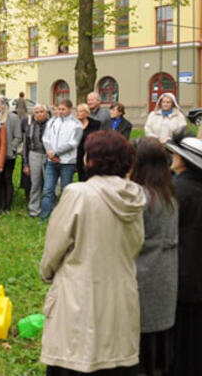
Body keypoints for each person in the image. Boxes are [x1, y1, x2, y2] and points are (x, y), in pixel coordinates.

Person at [40, 130, 145, 375]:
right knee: (113, 361)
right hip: (121, 295)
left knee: (78, 357)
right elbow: (137, 243)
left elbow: (55, 247)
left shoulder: (79, 194)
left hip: (79, 295)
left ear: (91, 160)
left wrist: (47, 272)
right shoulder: (133, 196)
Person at [129, 137, 178, 376]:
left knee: (143, 347)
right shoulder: (169, 194)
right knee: (160, 345)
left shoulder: (140, 197)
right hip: (166, 276)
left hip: (142, 278)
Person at [165, 132, 202, 375]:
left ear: (184, 159)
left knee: (181, 334)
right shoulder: (194, 187)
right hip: (198, 269)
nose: (172, 157)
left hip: (182, 270)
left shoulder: (178, 189)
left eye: (175, 154)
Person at [40, 99, 82, 220]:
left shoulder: (76, 124)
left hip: (67, 162)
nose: (60, 111)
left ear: (70, 109)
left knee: (65, 191)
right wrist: (50, 153)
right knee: (47, 190)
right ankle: (44, 217)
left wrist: (57, 153)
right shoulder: (52, 121)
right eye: (58, 109)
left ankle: (64, 218)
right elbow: (45, 138)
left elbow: (74, 143)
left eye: (63, 109)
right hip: (51, 161)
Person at [22, 104, 48, 218]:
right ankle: (34, 210)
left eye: (41, 111)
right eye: (36, 112)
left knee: (49, 184)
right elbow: (25, 147)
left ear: (46, 113)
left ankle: (49, 209)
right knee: (35, 184)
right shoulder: (30, 126)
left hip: (48, 155)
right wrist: (26, 164)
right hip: (34, 154)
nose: (39, 114)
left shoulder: (52, 125)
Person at [0, 97, 22, 211]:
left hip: (9, 155)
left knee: (7, 179)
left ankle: (7, 206)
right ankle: (0, 202)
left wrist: (12, 148)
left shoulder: (13, 117)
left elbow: (18, 136)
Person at [75, 103, 101, 182]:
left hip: (90, 154)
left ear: (87, 113)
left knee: (91, 178)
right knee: (81, 178)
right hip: (78, 154)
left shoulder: (95, 124)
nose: (78, 113)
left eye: (81, 111)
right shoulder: (74, 125)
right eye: (77, 111)